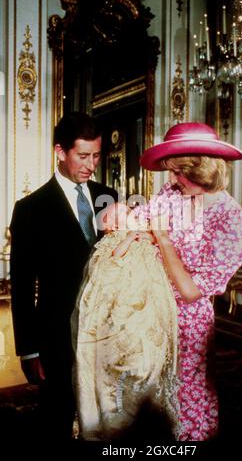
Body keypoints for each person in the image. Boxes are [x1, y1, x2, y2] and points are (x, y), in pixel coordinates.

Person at [132, 121, 242, 441]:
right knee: (147, 409)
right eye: (170, 172)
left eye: (178, 172)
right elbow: (139, 226)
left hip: (188, 327)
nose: (171, 179)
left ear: (202, 170)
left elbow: (189, 291)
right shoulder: (173, 194)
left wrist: (161, 237)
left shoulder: (234, 222)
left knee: (185, 410)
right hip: (150, 315)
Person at [9, 112, 117, 441]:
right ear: (60, 152)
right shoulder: (30, 209)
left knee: (106, 416)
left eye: (97, 155)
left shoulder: (108, 197)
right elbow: (23, 287)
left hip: (107, 332)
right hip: (56, 337)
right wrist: (28, 351)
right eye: (83, 156)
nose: (91, 164)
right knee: (56, 417)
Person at [72, 202, 179, 441]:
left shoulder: (143, 232)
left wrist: (149, 237)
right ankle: (117, 417)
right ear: (112, 225)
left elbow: (158, 241)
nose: (130, 213)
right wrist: (130, 239)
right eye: (121, 213)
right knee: (119, 357)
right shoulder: (114, 240)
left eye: (129, 212)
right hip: (121, 302)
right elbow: (115, 255)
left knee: (145, 354)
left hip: (146, 299)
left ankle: (142, 410)